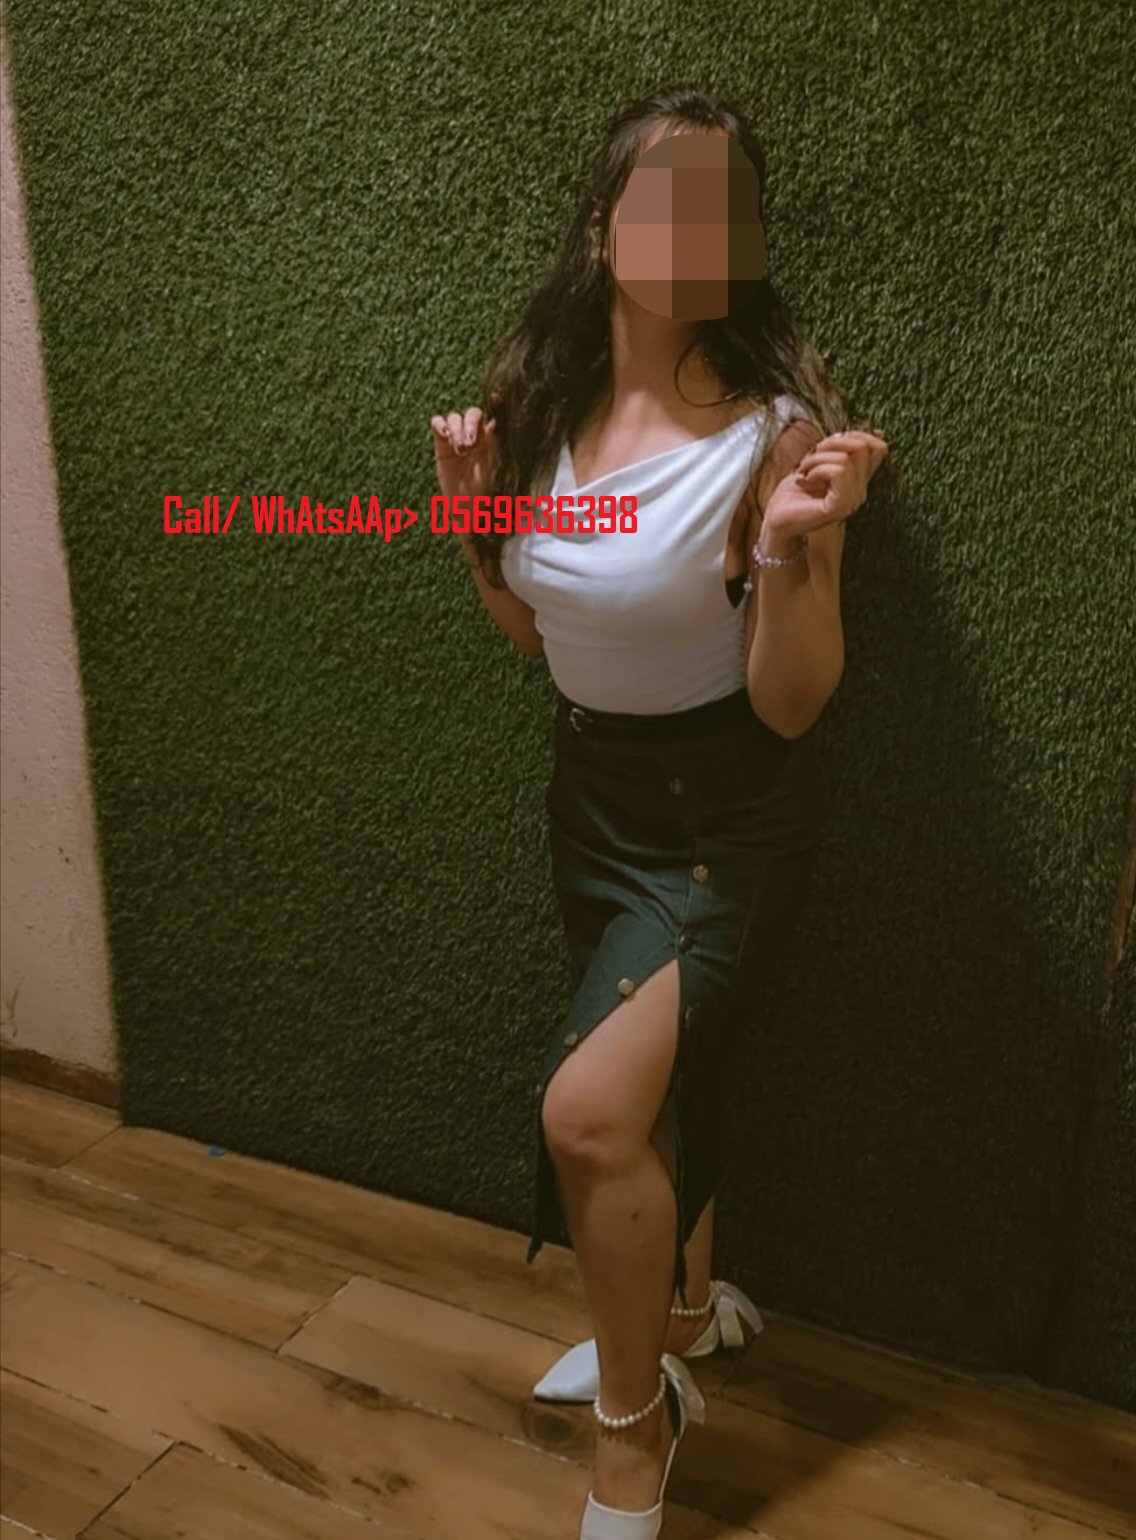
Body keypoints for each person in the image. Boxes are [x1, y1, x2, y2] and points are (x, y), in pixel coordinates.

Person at [431, 86, 889, 1540]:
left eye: (722, 206)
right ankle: (683, 1317)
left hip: (724, 815)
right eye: (665, 199)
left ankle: (636, 1433)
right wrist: (474, 524)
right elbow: (540, 634)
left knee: (590, 1115)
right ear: (602, 228)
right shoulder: (539, 414)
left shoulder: (775, 438)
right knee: (665, 1091)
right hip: (594, 798)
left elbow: (793, 705)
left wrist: (795, 548)